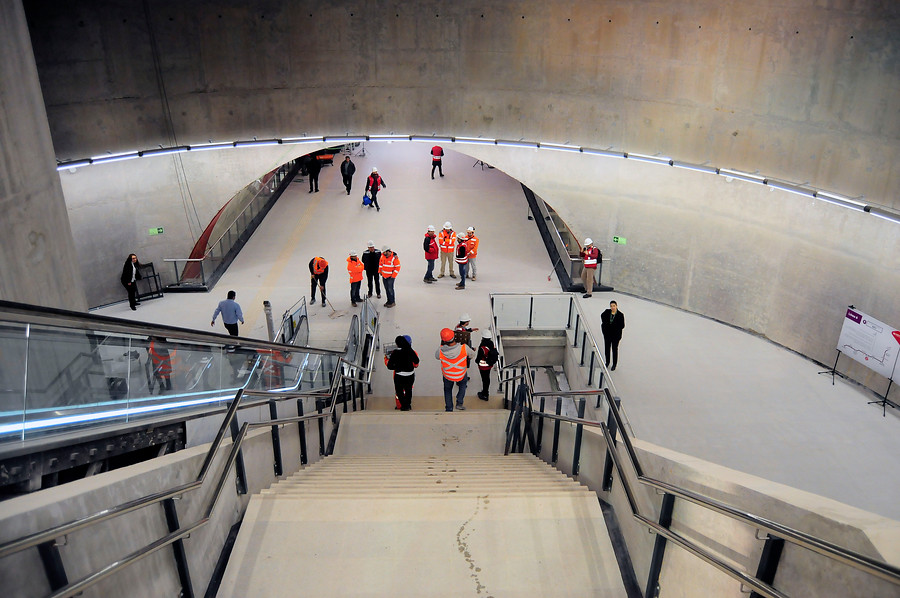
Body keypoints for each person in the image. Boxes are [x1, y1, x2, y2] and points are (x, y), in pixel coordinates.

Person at [436, 328, 475, 411]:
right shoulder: (464, 348)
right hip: (461, 373)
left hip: (447, 375)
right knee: (463, 385)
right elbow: (472, 355)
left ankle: (449, 408)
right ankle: (459, 403)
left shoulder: (440, 350)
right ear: (454, 336)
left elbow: (437, 357)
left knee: (447, 390)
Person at [385, 335, 419, 411]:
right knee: (408, 390)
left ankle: (403, 405)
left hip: (399, 375)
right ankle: (408, 405)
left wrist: (395, 366)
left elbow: (389, 366)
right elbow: (416, 361)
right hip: (410, 375)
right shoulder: (411, 351)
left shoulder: (395, 353)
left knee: (399, 391)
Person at [601, 300, 625, 371]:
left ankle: (614, 364)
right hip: (608, 334)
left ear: (616, 306)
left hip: (615, 336)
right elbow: (602, 316)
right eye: (611, 306)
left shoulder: (620, 315)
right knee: (607, 348)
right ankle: (607, 362)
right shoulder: (607, 312)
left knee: (614, 349)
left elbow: (622, 325)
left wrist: (614, 326)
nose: (612, 307)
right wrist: (606, 325)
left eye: (614, 306)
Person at [476, 330, 499, 400]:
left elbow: (478, 358)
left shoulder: (482, 347)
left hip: (483, 367)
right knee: (487, 379)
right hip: (489, 365)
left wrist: (477, 361)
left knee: (484, 379)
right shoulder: (491, 344)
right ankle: (485, 392)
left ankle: (485, 394)